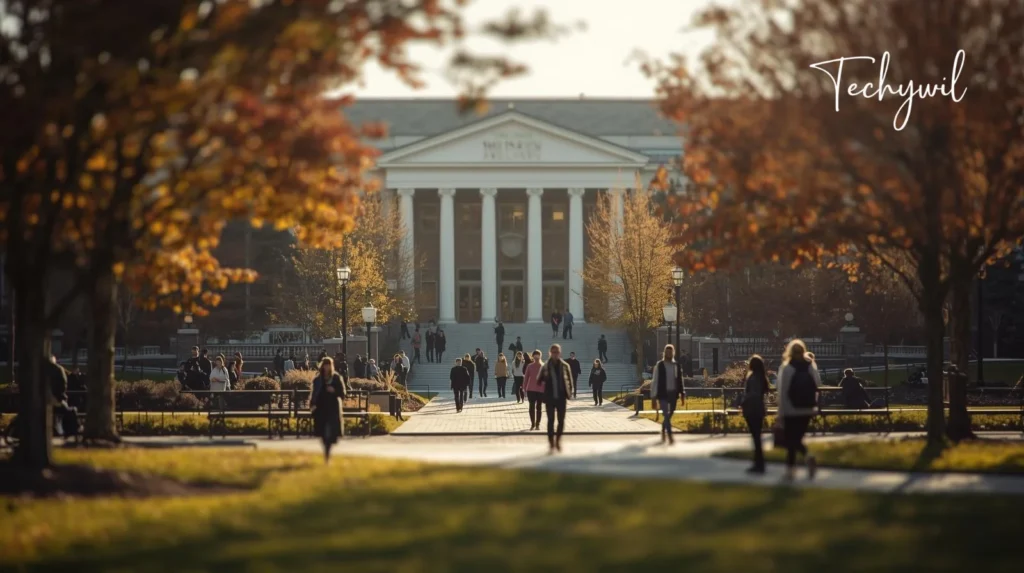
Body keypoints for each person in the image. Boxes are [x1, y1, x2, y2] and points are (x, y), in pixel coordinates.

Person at [776, 339, 821, 481]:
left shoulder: (786, 367)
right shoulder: (810, 366)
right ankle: (806, 458)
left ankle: (791, 470)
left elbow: (782, 391)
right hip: (807, 408)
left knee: (791, 440)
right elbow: (817, 385)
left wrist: (780, 412)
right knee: (797, 438)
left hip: (790, 409)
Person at [538, 344, 574, 454]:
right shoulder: (545, 366)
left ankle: (558, 440)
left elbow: (570, 381)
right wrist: (545, 376)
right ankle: (551, 443)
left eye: (557, 352)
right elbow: (539, 380)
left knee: (561, 421)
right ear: (550, 353)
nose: (555, 354)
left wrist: (570, 393)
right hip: (549, 398)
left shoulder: (565, 365)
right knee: (550, 421)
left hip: (561, 397)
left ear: (560, 353)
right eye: (553, 352)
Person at [311, 357, 347, 463]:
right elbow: (314, 393)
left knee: (330, 433)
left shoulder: (336, 378)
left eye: (328, 365)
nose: (326, 367)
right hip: (321, 409)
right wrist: (312, 404)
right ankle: (326, 453)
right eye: (324, 365)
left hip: (332, 409)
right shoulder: (318, 379)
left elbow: (342, 393)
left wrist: (334, 391)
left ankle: (327, 454)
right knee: (322, 433)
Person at [741, 355, 771, 474]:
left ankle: (758, 464)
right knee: (757, 437)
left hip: (752, 409)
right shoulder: (762, 378)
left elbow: (752, 394)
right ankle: (759, 462)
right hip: (759, 409)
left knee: (756, 438)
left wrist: (743, 402)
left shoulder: (753, 378)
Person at [651, 344, 685, 445]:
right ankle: (669, 435)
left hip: (673, 393)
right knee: (665, 413)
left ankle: (663, 427)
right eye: (667, 352)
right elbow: (655, 380)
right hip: (663, 393)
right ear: (664, 353)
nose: (669, 354)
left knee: (670, 413)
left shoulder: (676, 365)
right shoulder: (660, 365)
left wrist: (682, 393)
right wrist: (653, 396)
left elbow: (680, 380)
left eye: (671, 352)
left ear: (673, 353)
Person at [522, 350, 545, 431]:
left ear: (540, 356)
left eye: (538, 355)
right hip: (531, 389)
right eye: (535, 355)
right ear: (532, 356)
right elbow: (526, 378)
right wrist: (524, 389)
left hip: (541, 389)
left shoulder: (543, 366)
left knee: (539, 407)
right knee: (531, 407)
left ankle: (538, 424)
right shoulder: (529, 366)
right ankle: (532, 424)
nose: (536, 357)